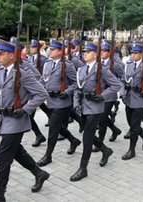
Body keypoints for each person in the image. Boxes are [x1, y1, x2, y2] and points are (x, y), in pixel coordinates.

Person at [0, 39, 50, 201]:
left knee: (3, 158)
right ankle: (39, 173)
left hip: (16, 121)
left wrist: (26, 110)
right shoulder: (0, 73)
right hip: (4, 119)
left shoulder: (23, 74)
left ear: (11, 55)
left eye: (1, 54)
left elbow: (42, 94)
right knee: (17, 152)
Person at [70, 41, 121, 181]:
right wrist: (76, 104)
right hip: (84, 106)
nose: (84, 54)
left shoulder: (101, 69)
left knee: (87, 137)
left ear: (94, 54)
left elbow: (116, 85)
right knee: (90, 134)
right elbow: (77, 89)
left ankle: (83, 168)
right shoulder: (81, 69)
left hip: (95, 107)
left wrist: (102, 97)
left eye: (87, 52)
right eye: (84, 52)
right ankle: (106, 150)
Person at [36, 39, 82, 167]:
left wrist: (67, 92)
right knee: (58, 126)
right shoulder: (48, 64)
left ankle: (48, 156)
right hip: (50, 101)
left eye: (53, 49)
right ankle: (73, 140)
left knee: (53, 129)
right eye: (50, 49)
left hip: (62, 102)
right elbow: (42, 80)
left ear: (60, 51)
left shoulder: (67, 65)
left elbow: (75, 83)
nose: (50, 51)